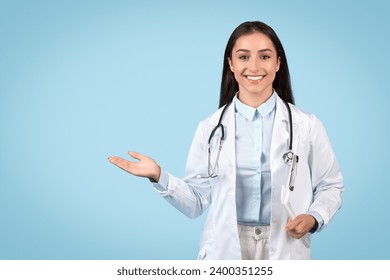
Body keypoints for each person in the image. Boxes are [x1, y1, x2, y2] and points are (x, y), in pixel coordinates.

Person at [108, 21, 344, 260]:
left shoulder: (307, 125)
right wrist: (158, 175)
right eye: (243, 57)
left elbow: (331, 185)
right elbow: (196, 202)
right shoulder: (209, 128)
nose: (254, 66)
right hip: (226, 247)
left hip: (285, 244)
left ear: (278, 63)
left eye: (264, 56)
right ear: (230, 64)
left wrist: (314, 217)